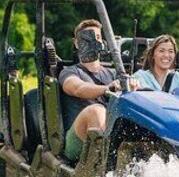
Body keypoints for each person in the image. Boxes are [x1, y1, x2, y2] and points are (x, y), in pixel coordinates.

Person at [59, 19, 138, 162]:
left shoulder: (114, 73)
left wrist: (133, 86)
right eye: (87, 38)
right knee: (96, 110)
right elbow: (78, 88)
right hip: (77, 138)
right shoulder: (70, 72)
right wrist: (107, 89)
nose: (94, 42)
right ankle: (102, 164)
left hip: (111, 133)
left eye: (98, 37)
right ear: (77, 43)